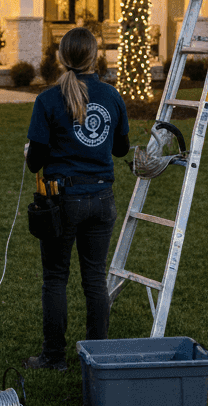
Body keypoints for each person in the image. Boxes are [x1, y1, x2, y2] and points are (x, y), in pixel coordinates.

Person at [23, 27, 130, 371]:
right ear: (95, 57)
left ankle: (54, 357)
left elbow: (35, 162)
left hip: (63, 201)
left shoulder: (48, 100)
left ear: (61, 57)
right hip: (102, 198)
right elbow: (121, 149)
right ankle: (97, 357)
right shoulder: (111, 95)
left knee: (56, 278)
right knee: (95, 280)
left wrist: (31, 151)